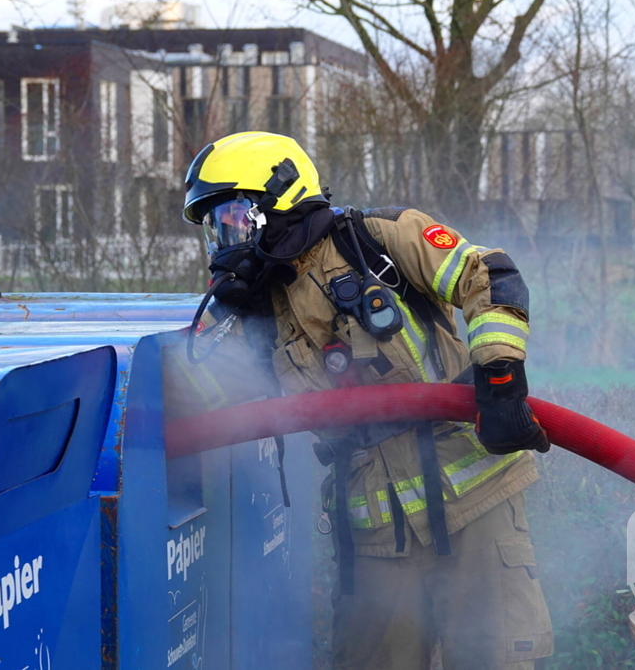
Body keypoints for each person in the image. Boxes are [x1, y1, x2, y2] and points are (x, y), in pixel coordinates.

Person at [172, 131, 553, 670]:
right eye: (215, 227)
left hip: (476, 507)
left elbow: (488, 276)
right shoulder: (258, 311)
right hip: (374, 536)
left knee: (492, 659)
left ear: (277, 198)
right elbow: (208, 400)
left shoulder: (379, 240)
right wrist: (143, 416)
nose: (224, 240)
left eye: (233, 218)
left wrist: (500, 378)